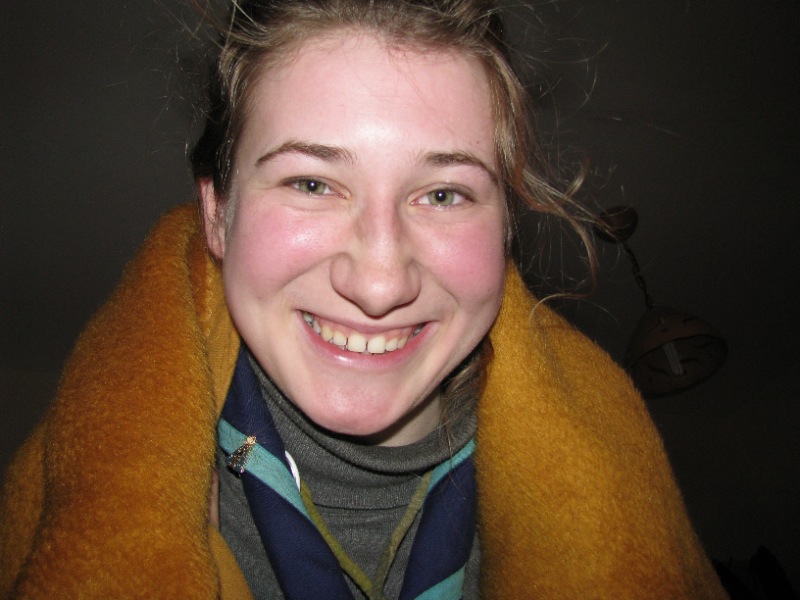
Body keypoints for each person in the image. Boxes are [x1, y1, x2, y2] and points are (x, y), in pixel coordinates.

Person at [0, 1, 726, 598]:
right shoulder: (81, 487)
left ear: (507, 226)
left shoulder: (619, 492)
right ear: (218, 214)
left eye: (443, 194)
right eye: (312, 183)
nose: (380, 284)